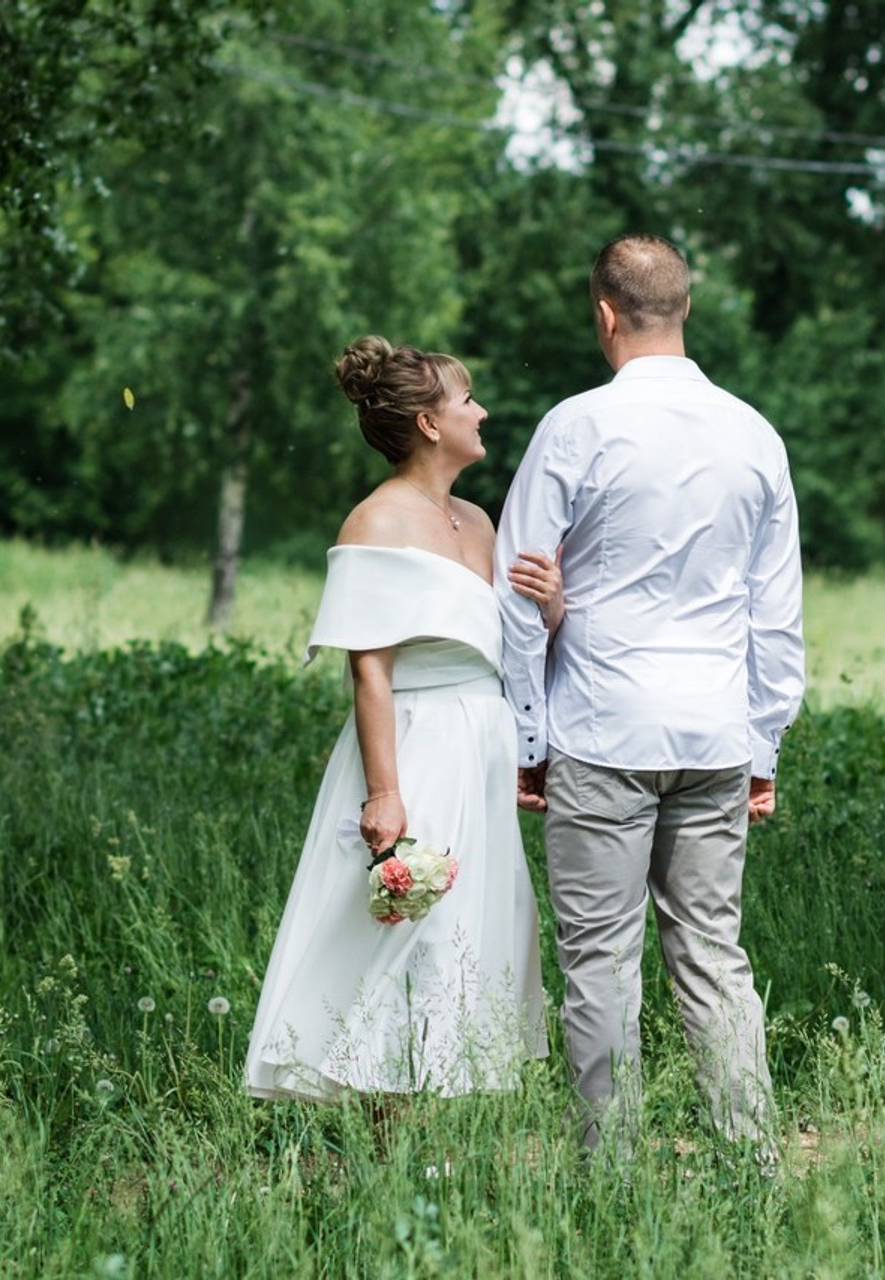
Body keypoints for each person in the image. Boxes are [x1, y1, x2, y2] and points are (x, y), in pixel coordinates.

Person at [494, 233, 805, 1160]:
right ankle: (752, 1160)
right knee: (713, 954)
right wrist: (763, 748)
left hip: (601, 730)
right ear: (685, 308)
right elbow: (775, 614)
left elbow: (519, 590)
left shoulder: (575, 427)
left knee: (599, 961)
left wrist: (528, 738)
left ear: (604, 314)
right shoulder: (754, 434)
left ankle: (610, 1173)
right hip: (714, 737)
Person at [243, 336, 560, 1104]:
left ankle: (451, 1110)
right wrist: (385, 792)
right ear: (428, 423)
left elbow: (511, 643)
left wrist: (551, 607)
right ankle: (388, 1122)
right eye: (467, 400)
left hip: (484, 744)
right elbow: (370, 670)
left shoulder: (478, 521)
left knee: (472, 927)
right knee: (412, 923)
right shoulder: (376, 522)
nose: (482, 412)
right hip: (419, 742)